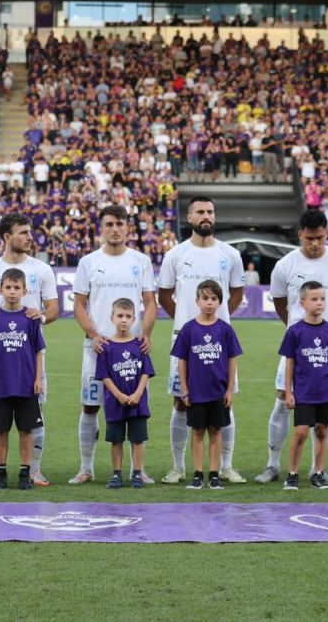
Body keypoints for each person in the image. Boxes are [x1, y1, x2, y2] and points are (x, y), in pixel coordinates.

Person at [258, 209, 328, 484]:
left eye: (320, 238)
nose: (315, 244)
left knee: (326, 406)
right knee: (282, 401)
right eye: (310, 238)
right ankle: (273, 465)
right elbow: (280, 303)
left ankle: (316, 469)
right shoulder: (285, 265)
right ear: (300, 234)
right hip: (297, 347)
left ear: (327, 233)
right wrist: (295, 329)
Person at [158, 196, 245, 484]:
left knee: (224, 403)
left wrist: (215, 326)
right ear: (190, 218)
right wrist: (187, 326)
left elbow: (236, 295)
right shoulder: (175, 255)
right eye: (200, 212)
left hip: (218, 343)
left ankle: (225, 467)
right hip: (186, 341)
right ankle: (179, 467)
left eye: (210, 211)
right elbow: (164, 296)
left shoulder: (230, 255)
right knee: (181, 402)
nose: (206, 216)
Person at [0, 212, 59, 486]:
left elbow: (54, 308)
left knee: (34, 413)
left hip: (30, 356)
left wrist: (40, 316)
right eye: (23, 232)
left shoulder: (42, 269)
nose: (30, 237)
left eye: (30, 231)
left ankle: (33, 470)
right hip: (0, 356)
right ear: (8, 237)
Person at [71, 205, 156, 484]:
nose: (115, 229)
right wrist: (94, 334)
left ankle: (137, 470)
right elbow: (80, 305)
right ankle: (86, 468)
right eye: (109, 224)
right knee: (90, 405)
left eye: (120, 223)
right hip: (98, 346)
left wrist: (146, 333)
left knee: (135, 407)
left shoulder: (140, 261)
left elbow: (150, 301)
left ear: (128, 227)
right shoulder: (89, 262)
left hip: (132, 348)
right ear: (102, 228)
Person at [0, 268, 46, 490]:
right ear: (0, 290)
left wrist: (38, 379)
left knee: (26, 430)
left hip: (26, 384)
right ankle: (1, 473)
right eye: (8, 287)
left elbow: (38, 351)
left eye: (17, 288)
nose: (12, 292)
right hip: (2, 384)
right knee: (1, 430)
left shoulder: (31, 318)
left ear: (25, 290)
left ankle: (25, 473)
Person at [171, 280, 243, 490]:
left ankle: (213, 473)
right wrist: (184, 389)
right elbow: (181, 361)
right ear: (197, 301)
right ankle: (197, 473)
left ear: (220, 302)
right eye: (205, 298)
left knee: (215, 431)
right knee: (197, 432)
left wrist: (229, 390)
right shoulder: (189, 329)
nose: (209, 303)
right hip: (196, 392)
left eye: (214, 299)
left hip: (218, 392)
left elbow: (232, 360)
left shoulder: (225, 330)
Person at [277, 281, 328, 491]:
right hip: (304, 393)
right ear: (303, 303)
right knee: (300, 432)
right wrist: (288, 391)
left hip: (326, 390)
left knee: (323, 430)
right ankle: (292, 474)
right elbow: (289, 362)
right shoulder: (295, 331)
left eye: (322, 299)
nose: (319, 303)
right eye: (314, 299)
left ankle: (318, 473)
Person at [95, 298, 155, 489]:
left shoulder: (140, 344)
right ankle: (117, 474)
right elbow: (104, 375)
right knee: (116, 440)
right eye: (119, 316)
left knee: (138, 439)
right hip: (115, 402)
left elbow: (146, 372)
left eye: (128, 316)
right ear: (112, 318)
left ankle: (137, 473)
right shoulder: (106, 346)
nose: (123, 320)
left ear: (134, 319)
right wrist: (118, 395)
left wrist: (138, 394)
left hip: (138, 402)